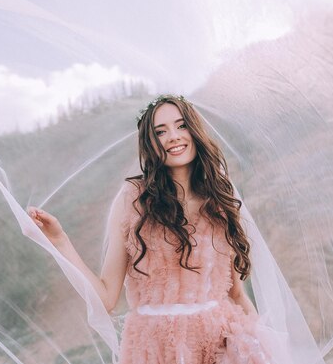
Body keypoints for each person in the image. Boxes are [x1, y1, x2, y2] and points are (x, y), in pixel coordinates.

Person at [27, 94, 274, 364]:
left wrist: (264, 351)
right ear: (150, 143)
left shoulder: (220, 203)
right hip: (153, 349)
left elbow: (236, 294)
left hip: (219, 346)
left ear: (195, 131)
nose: (173, 137)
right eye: (160, 131)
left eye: (181, 126)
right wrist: (59, 240)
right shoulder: (133, 199)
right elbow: (107, 297)